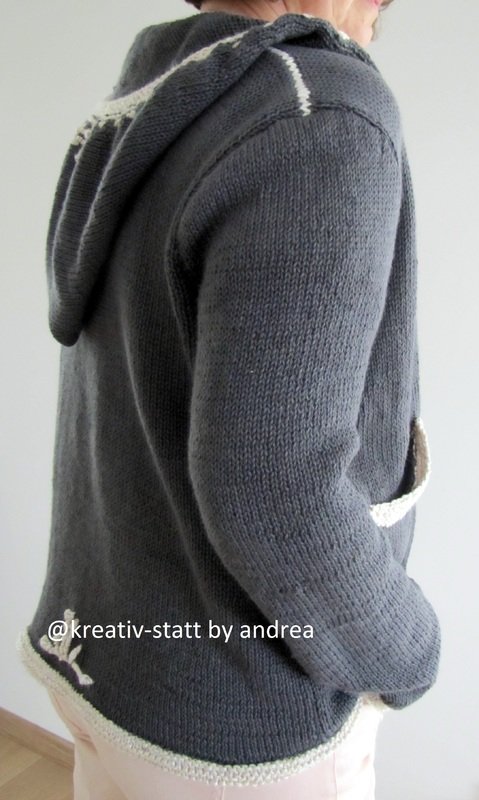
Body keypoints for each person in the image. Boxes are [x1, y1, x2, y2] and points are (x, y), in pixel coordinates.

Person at [16, 0, 442, 798]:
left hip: (103, 657)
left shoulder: (155, 97)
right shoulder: (319, 112)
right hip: (232, 723)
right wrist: (409, 650)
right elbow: (277, 488)